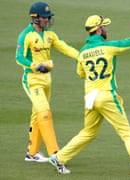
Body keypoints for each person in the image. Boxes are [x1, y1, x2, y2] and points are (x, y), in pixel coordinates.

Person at [48, 13, 130, 178]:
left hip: (90, 97)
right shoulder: (108, 47)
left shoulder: (82, 53)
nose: (106, 28)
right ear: (98, 30)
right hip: (106, 96)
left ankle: (59, 157)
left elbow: (81, 74)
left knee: (88, 132)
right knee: (126, 131)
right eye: (104, 26)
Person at [15, 2, 79, 163]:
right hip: (32, 79)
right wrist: (35, 66)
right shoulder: (26, 35)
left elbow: (64, 47)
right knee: (44, 113)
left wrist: (82, 57)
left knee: (37, 115)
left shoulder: (50, 34)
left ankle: (32, 153)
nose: (48, 19)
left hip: (47, 80)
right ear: (35, 18)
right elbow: (19, 57)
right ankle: (55, 153)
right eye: (45, 17)